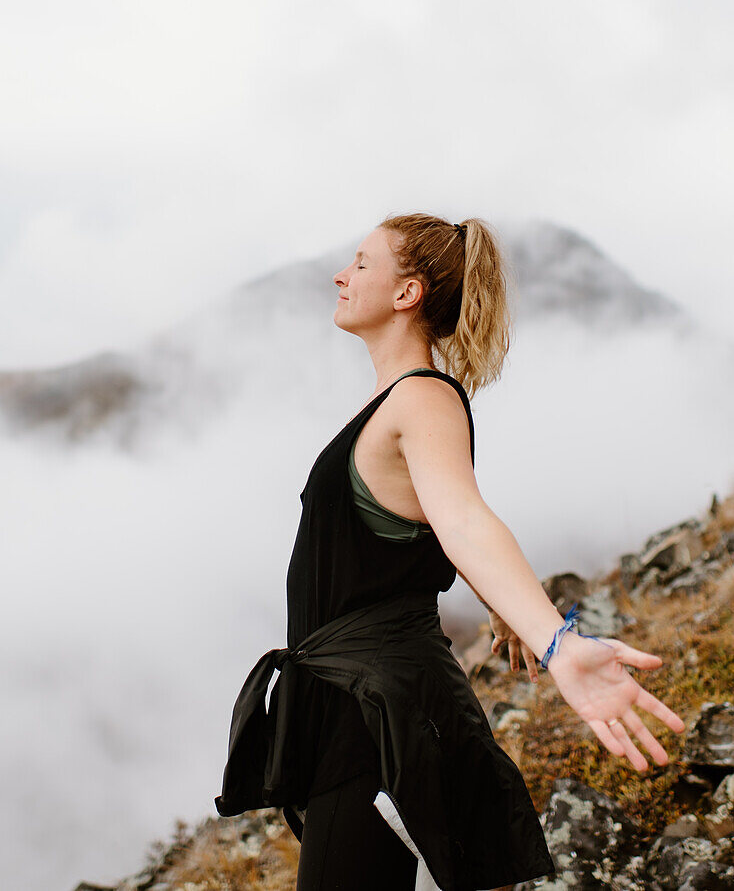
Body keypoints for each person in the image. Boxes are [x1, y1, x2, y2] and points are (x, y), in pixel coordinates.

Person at [214, 212, 685, 891]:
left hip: (383, 710)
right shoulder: (395, 403)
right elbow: (435, 514)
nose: (342, 276)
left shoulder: (422, 398)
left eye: (363, 263)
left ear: (407, 293)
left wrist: (556, 642)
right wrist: (502, 606)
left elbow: (463, 517)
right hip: (357, 704)